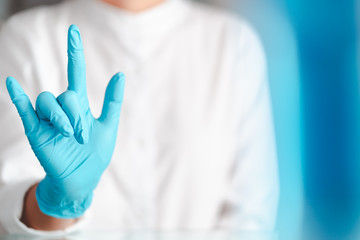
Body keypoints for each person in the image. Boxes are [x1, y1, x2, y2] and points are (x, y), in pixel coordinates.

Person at [0, 0, 279, 236]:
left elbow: (250, 222)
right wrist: (60, 204)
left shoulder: (233, 44)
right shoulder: (26, 41)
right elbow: (8, 212)